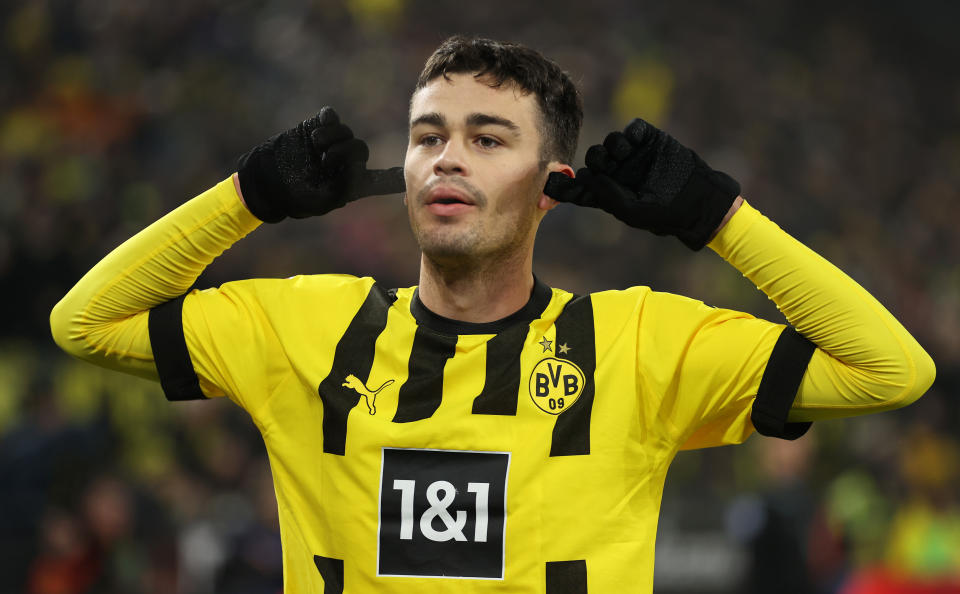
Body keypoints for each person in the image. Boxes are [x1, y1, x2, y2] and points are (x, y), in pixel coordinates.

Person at [50, 35, 935, 593]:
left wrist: (717, 217)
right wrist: (246, 197)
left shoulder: (635, 345)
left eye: (487, 138)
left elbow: (893, 369)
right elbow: (83, 322)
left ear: (553, 186)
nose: (446, 159)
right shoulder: (306, 328)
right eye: (428, 135)